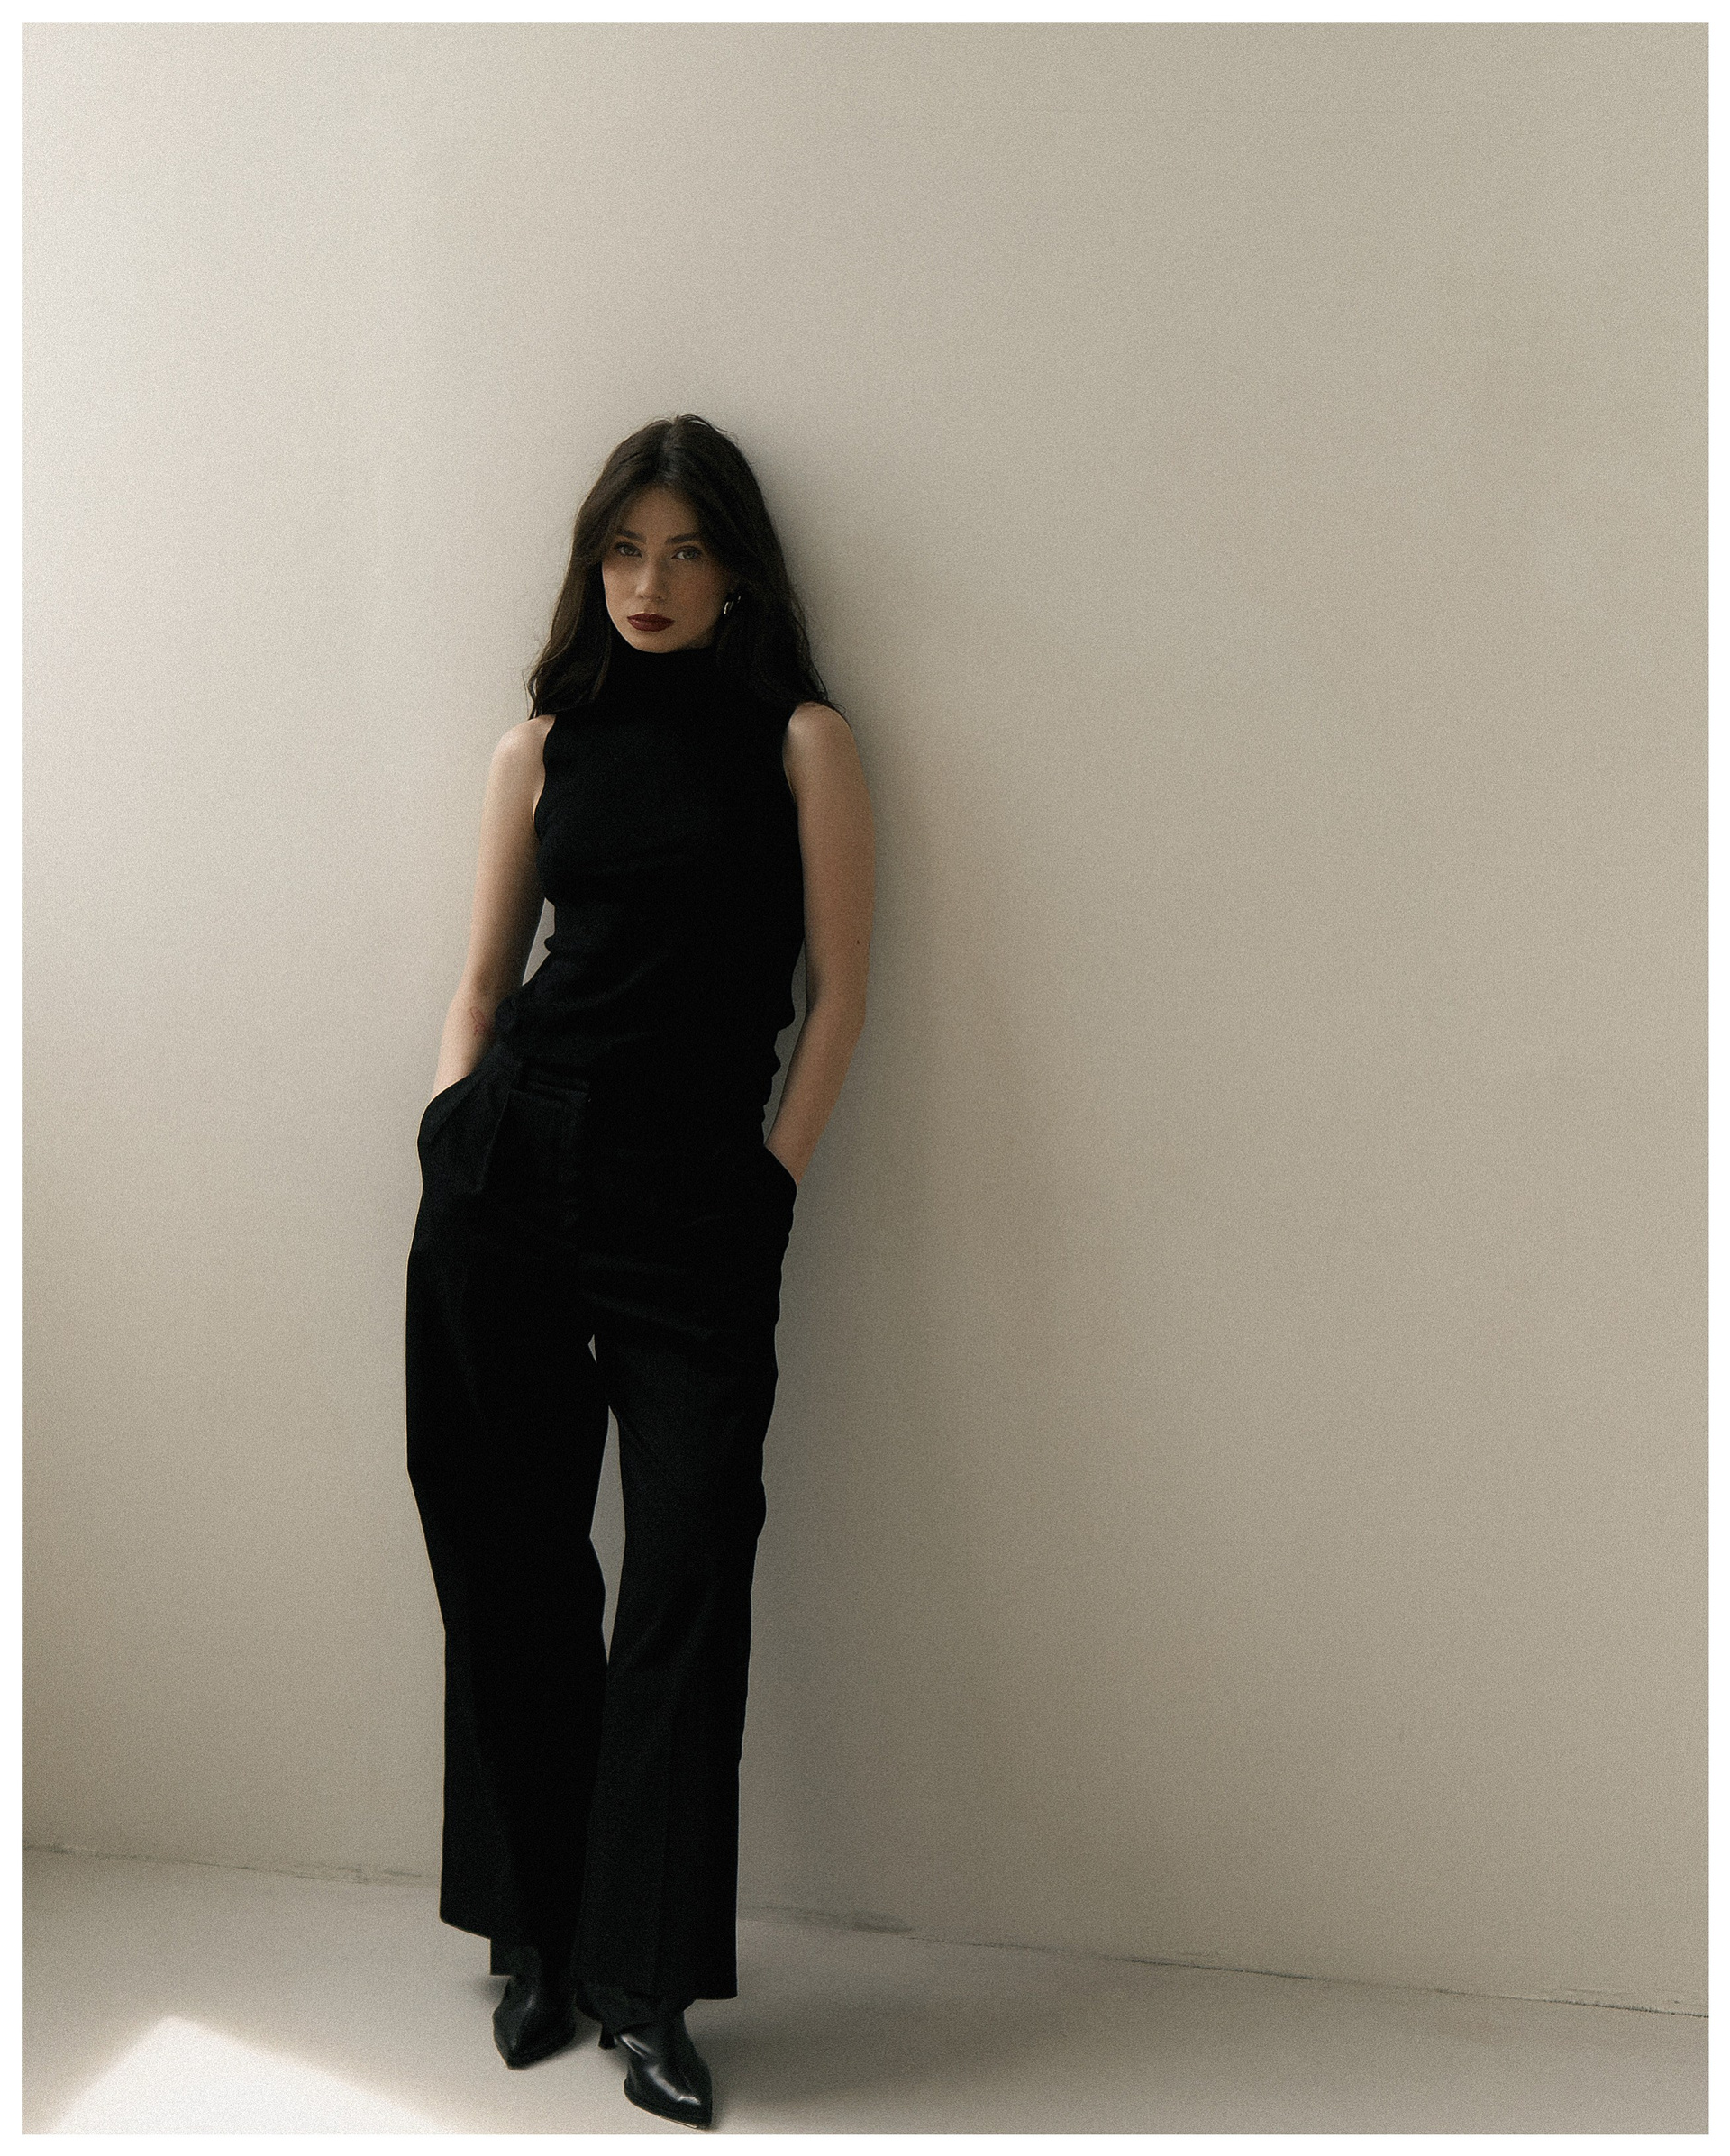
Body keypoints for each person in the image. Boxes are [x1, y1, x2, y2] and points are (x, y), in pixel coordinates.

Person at [404, 414, 875, 2127]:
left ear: (736, 566)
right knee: (511, 1551)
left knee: (688, 1564)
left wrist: (768, 1187)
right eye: (622, 549)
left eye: (682, 550)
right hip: (511, 1170)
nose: (648, 583)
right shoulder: (542, 744)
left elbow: (840, 992)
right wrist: (453, 1130)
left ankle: (645, 1977)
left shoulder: (801, 741)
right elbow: (481, 976)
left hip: (694, 1200)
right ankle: (534, 1931)